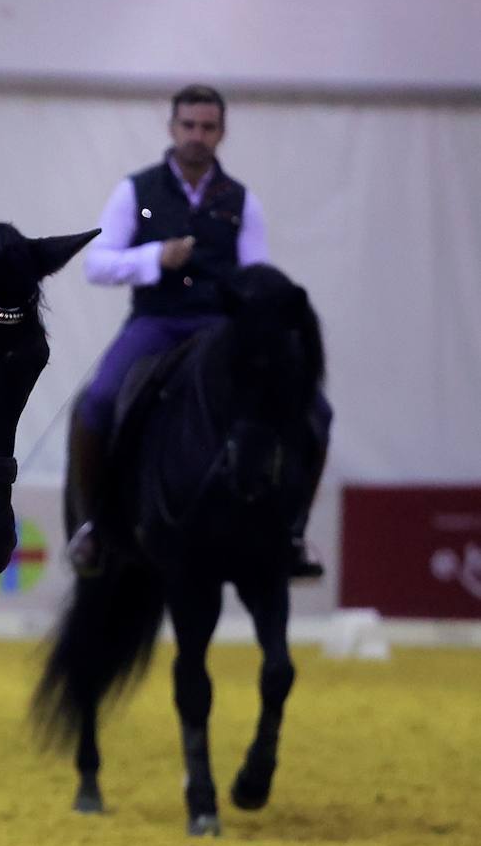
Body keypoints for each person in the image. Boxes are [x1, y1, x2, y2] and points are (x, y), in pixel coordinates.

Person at [68, 84, 330, 578]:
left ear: (221, 133)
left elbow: (257, 273)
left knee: (316, 410)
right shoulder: (135, 190)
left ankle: (292, 532)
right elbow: (95, 265)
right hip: (156, 321)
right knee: (97, 401)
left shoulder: (242, 201)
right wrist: (153, 258)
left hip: (221, 330)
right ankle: (93, 527)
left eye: (207, 127)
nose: (197, 136)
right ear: (172, 129)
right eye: (188, 125)